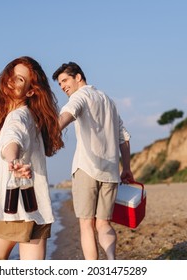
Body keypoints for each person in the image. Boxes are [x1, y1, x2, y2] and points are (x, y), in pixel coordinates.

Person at [0, 56, 64, 260]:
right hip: (34, 201)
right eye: (11, 75)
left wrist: (13, 160)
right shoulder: (31, 117)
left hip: (9, 202)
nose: (11, 80)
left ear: (30, 91)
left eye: (20, 79)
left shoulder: (18, 116)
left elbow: (13, 138)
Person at [52, 62, 135, 260]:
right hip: (111, 172)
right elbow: (123, 137)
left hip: (86, 168)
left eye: (65, 80)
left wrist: (52, 131)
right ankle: (111, 260)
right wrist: (127, 169)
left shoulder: (80, 96)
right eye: (60, 84)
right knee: (104, 223)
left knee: (86, 224)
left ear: (78, 77)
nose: (63, 86)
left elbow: (67, 114)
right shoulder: (108, 101)